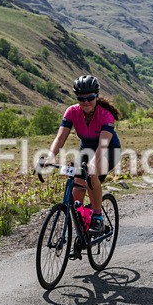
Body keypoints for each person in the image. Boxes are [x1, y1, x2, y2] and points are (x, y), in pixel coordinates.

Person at [43, 75, 121, 236]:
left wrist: (93, 164)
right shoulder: (72, 112)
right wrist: (51, 156)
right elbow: (60, 138)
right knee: (77, 189)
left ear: (96, 96)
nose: (86, 102)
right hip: (86, 150)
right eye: (81, 98)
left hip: (108, 151)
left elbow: (103, 145)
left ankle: (98, 217)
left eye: (90, 98)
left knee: (91, 175)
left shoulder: (106, 115)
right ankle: (82, 223)